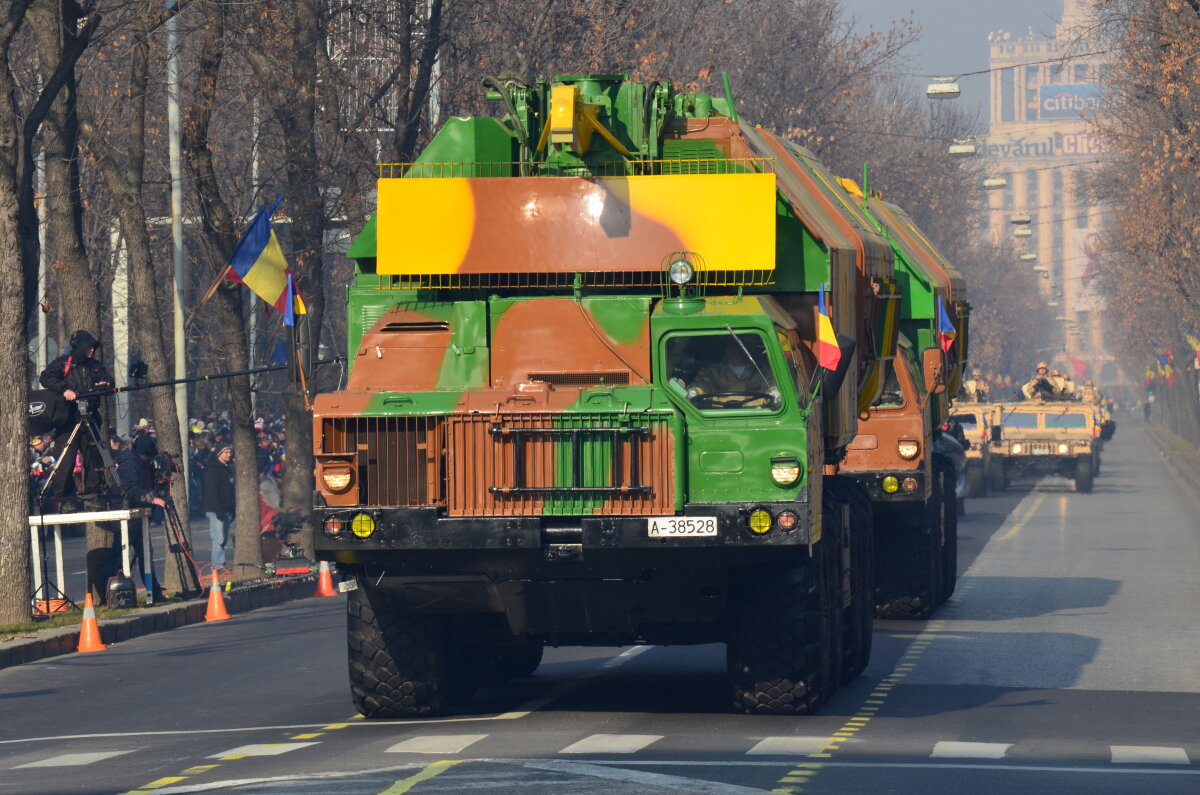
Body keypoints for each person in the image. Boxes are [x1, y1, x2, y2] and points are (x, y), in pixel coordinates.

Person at [38, 330, 113, 506]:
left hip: (90, 418)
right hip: (68, 420)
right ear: (80, 347)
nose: (92, 351)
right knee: (65, 461)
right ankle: (63, 499)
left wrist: (105, 385)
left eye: (94, 348)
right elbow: (45, 377)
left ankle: (94, 496)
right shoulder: (63, 364)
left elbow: (108, 381)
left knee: (93, 457)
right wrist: (65, 390)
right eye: (89, 348)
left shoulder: (95, 366)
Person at [113, 434, 166, 595]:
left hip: (139, 517)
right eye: (147, 456)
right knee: (118, 556)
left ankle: (154, 592)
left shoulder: (142, 464)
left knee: (145, 554)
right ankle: (111, 590)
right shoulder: (130, 465)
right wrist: (152, 499)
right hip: (128, 517)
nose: (149, 460)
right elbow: (131, 490)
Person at [686, 335, 780, 408]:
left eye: (742, 345)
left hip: (755, 416)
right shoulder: (711, 372)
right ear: (725, 348)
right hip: (716, 417)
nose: (737, 349)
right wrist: (695, 392)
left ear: (750, 348)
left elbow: (772, 385)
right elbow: (701, 385)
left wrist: (775, 392)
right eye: (732, 345)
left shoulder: (763, 371)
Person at [203, 445, 235, 567]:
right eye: (226, 452)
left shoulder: (227, 469)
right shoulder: (212, 470)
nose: (229, 454)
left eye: (230, 452)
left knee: (223, 539)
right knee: (218, 539)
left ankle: (220, 564)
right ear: (219, 454)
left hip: (226, 509)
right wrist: (218, 509)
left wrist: (231, 509)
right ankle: (217, 566)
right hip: (216, 510)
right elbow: (211, 492)